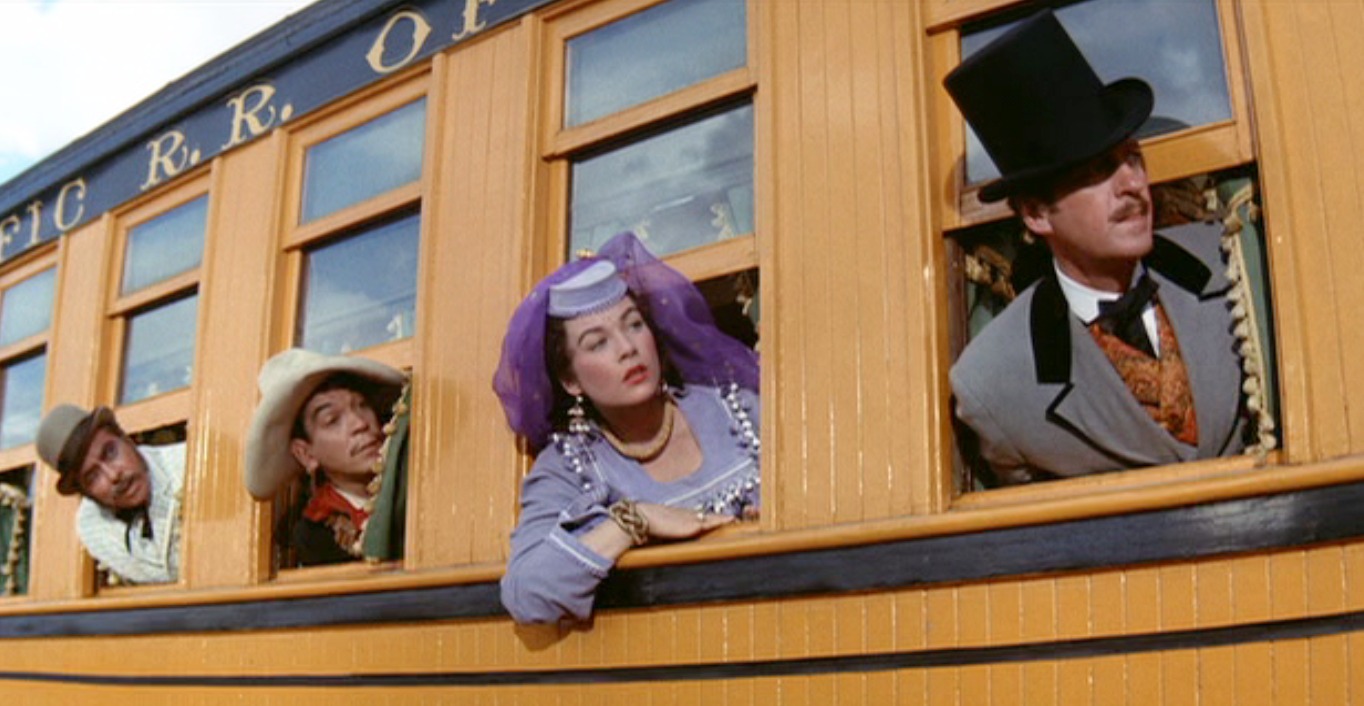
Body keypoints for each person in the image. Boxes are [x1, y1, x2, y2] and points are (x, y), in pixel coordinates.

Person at [942, 10, 1249, 485]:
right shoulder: (993, 383)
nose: (1133, 185)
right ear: (1037, 214)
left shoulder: (1233, 262)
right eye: (1098, 171)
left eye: (1133, 159)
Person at [494, 231, 760, 624]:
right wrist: (634, 520)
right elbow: (526, 594)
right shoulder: (571, 466)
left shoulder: (734, 408)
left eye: (634, 325)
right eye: (597, 343)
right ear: (571, 381)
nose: (627, 348)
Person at [244, 348, 409, 566]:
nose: (360, 423)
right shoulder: (316, 535)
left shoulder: (411, 484)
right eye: (332, 420)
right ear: (306, 454)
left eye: (362, 405)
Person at [36, 404, 184, 584]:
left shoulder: (185, 463)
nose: (114, 475)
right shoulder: (93, 527)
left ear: (126, 440)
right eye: (93, 476)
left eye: (110, 452)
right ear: (87, 494)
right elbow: (164, 575)